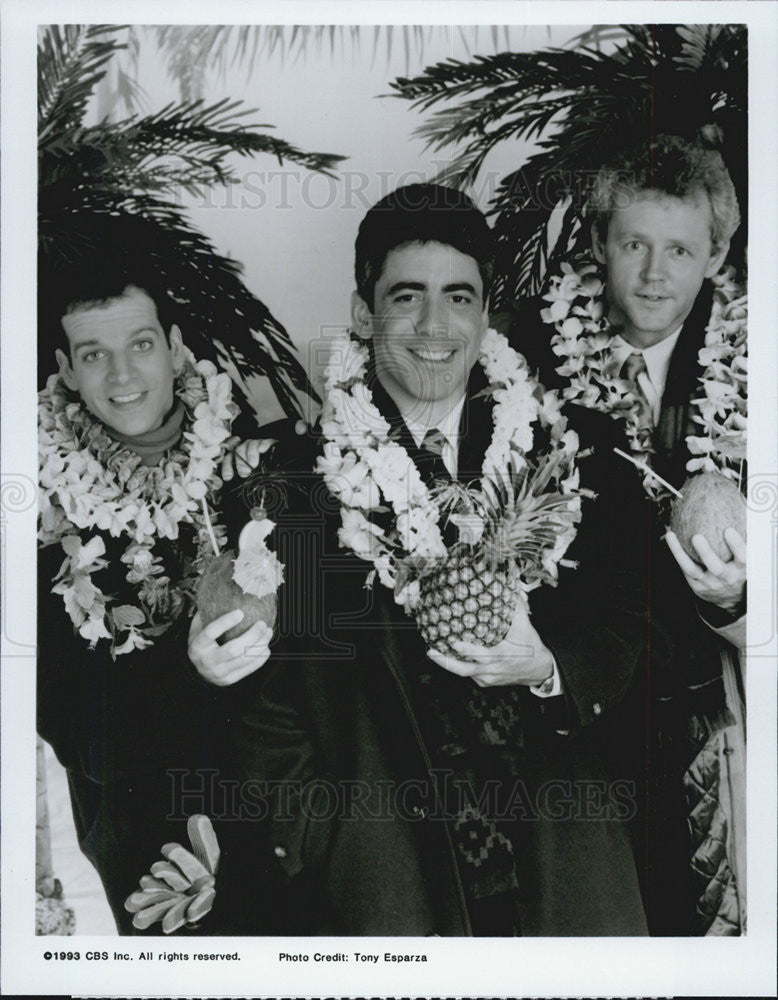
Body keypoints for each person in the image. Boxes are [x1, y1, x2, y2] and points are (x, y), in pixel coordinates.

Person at [219, 183, 670, 937]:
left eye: (459, 296)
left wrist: (550, 668)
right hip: (388, 895)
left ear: (486, 312)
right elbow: (263, 713)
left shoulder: (575, 454)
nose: (435, 325)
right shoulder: (291, 489)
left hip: (564, 889)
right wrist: (329, 850)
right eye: (407, 296)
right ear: (364, 312)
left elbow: (641, 628)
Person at [500, 135, 747, 934]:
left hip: (724, 704)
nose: (652, 273)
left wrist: (739, 596)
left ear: (715, 258)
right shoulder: (524, 361)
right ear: (600, 245)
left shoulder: (760, 365)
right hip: (586, 703)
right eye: (633, 244)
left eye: (679, 249)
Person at [37, 248, 273, 933]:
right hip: (158, 852)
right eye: (93, 354)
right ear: (66, 372)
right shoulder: (35, 515)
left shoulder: (254, 468)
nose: (121, 375)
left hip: (288, 824)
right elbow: (81, 732)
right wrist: (186, 667)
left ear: (174, 349)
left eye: (141, 345)